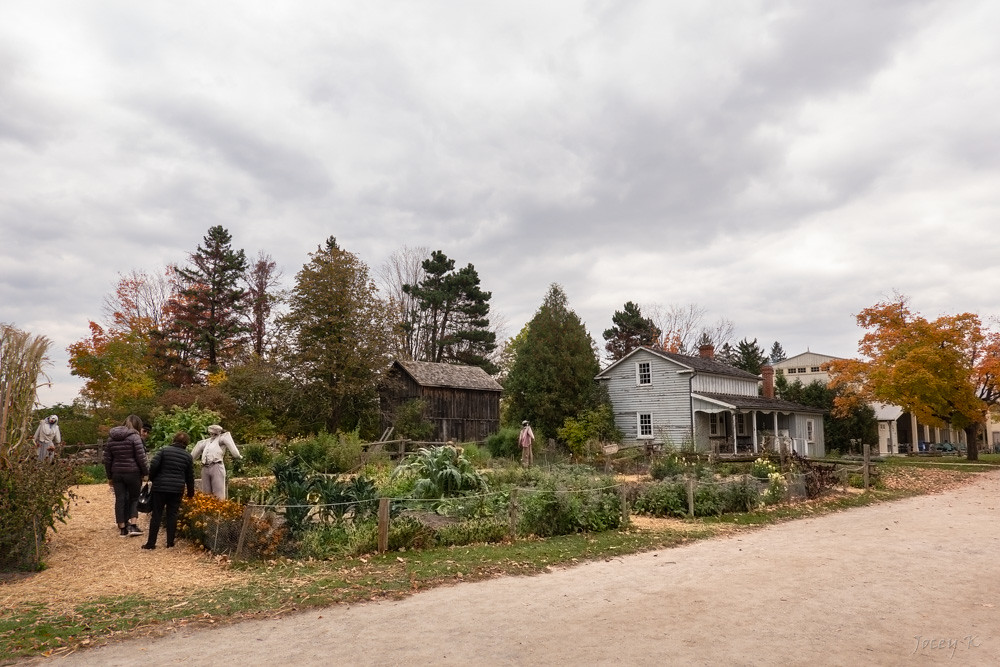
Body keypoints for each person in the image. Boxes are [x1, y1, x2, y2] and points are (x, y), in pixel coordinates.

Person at [142, 432, 195, 550]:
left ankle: (151, 543)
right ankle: (170, 542)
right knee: (172, 515)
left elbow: (154, 465)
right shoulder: (187, 456)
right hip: (176, 489)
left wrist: (153, 478)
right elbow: (190, 476)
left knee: (156, 514)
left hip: (160, 487)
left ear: (174, 439)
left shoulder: (163, 451)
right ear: (186, 443)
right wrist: (190, 492)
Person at [103, 414, 149, 537]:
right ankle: (133, 526)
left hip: (117, 473)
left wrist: (110, 476)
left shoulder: (111, 439)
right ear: (138, 425)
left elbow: (107, 459)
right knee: (134, 498)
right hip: (133, 472)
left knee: (120, 499)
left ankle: (122, 528)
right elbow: (141, 457)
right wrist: (145, 473)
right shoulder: (135, 437)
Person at [190, 424, 242, 500]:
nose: (212, 434)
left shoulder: (221, 439)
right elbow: (192, 456)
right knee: (206, 493)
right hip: (205, 467)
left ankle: (219, 509)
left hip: (216, 466)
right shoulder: (205, 442)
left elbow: (234, 450)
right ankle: (207, 509)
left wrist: (238, 456)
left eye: (214, 432)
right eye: (211, 432)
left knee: (218, 492)